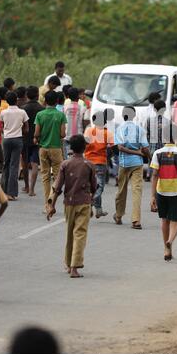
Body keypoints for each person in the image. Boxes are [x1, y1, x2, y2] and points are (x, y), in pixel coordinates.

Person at [47, 135, 97, 278]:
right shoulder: (89, 165)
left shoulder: (65, 164)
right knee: (80, 234)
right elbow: (94, 187)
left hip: (69, 203)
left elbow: (57, 187)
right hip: (84, 203)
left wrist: (51, 205)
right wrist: (91, 201)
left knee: (70, 234)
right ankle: (75, 267)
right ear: (84, 148)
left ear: (71, 148)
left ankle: (69, 265)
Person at [150, 123, 177, 261]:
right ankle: (170, 241)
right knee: (175, 221)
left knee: (164, 220)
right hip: (174, 190)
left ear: (163, 137)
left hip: (161, 190)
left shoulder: (157, 153)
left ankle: (166, 249)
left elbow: (154, 175)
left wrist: (152, 196)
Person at [114, 106, 150, 229]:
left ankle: (118, 215)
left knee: (121, 191)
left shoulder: (119, 129)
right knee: (137, 192)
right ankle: (136, 220)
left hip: (124, 164)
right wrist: (147, 157)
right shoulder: (140, 129)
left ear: (123, 115)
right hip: (137, 164)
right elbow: (145, 148)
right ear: (134, 115)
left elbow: (120, 147)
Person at [34, 91, 67, 212]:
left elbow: (36, 133)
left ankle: (46, 205)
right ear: (57, 101)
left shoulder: (40, 115)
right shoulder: (60, 115)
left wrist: (37, 138)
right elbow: (63, 134)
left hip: (43, 148)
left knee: (45, 176)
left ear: (45, 101)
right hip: (56, 148)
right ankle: (51, 200)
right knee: (58, 177)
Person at [84, 111, 114, 218]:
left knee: (91, 185)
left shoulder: (88, 131)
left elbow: (85, 144)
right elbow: (112, 148)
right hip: (100, 162)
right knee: (99, 186)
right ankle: (90, 201)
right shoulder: (107, 133)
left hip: (87, 162)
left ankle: (99, 210)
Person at [0, 92, 29, 201]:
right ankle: (11, 193)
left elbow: (2, 127)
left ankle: (3, 192)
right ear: (16, 100)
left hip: (7, 140)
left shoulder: (3, 112)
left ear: (6, 101)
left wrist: (7, 132)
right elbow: (26, 129)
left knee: (6, 165)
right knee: (14, 166)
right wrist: (19, 131)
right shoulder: (22, 112)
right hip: (17, 140)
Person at [22, 86, 44, 197]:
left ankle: (26, 186)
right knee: (35, 164)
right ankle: (32, 189)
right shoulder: (41, 109)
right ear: (37, 95)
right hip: (37, 139)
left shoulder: (23, 108)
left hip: (24, 139)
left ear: (27, 95)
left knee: (25, 164)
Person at [145, 99, 170, 181]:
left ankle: (150, 175)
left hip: (152, 148)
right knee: (163, 165)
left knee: (152, 163)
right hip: (164, 148)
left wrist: (147, 146)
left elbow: (146, 134)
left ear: (154, 109)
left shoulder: (149, 120)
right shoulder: (168, 122)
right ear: (165, 109)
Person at [63, 88, 88, 160]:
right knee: (79, 157)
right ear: (78, 96)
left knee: (68, 157)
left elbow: (62, 122)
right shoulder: (83, 108)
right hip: (79, 137)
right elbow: (85, 122)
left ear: (68, 97)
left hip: (67, 136)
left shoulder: (65, 108)